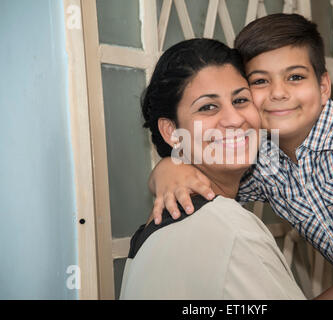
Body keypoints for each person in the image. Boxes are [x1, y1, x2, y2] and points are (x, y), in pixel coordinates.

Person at [148, 14, 333, 300]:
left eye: (295, 77)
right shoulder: (265, 167)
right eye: (260, 82)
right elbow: (211, 184)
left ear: (323, 87)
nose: (279, 93)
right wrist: (167, 167)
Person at [119, 38, 306, 300]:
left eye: (241, 100)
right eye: (208, 107)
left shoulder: (158, 228)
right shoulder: (232, 230)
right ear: (171, 131)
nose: (234, 119)